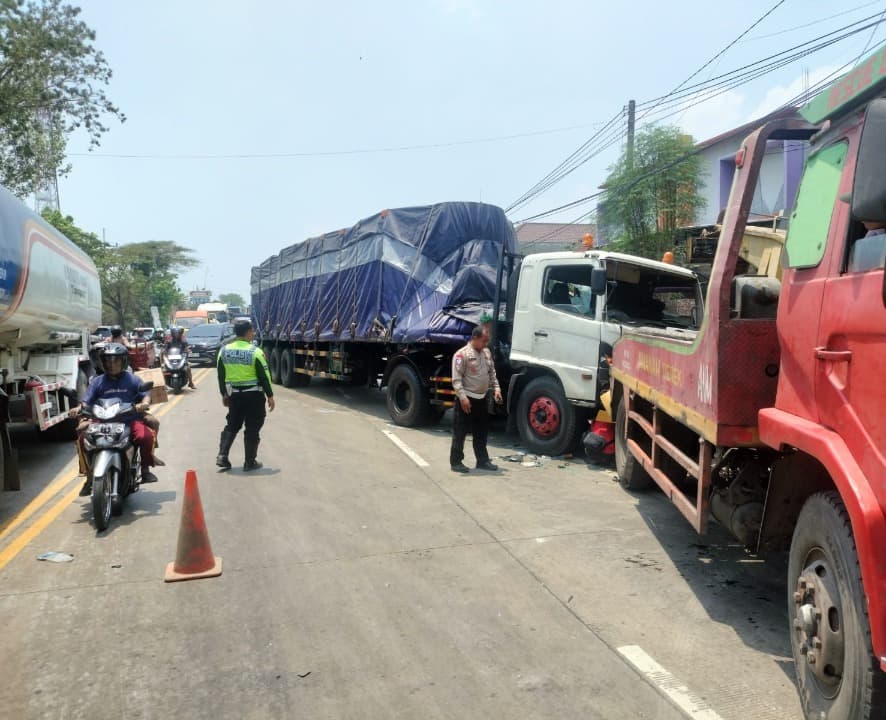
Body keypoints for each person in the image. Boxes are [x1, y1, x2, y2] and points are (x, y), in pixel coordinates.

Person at [70, 343, 160, 495]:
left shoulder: (132, 379)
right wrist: (79, 408)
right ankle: (89, 477)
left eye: (116, 361)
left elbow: (145, 394)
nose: (112, 364)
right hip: (101, 421)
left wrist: (144, 404)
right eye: (108, 361)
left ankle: (145, 469)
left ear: (123, 361)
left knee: (145, 436)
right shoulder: (97, 381)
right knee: (82, 440)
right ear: (102, 363)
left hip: (128, 419)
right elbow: (87, 401)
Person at [216, 319, 275, 471]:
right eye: (252, 331)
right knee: (253, 427)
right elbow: (264, 375)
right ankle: (250, 462)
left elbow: (221, 375)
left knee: (232, 424)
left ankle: (222, 456)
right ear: (248, 332)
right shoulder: (255, 351)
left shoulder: (224, 351)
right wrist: (270, 395)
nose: (253, 333)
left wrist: (224, 394)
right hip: (253, 395)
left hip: (234, 396)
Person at [450, 326, 502, 473]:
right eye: (484, 340)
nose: (486, 344)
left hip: (482, 399)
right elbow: (456, 379)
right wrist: (463, 397)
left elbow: (492, 373)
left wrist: (496, 388)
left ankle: (482, 461)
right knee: (460, 432)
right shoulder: (462, 355)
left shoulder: (486, 353)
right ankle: (456, 462)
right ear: (475, 338)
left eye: (487, 341)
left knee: (481, 432)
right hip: (466, 400)